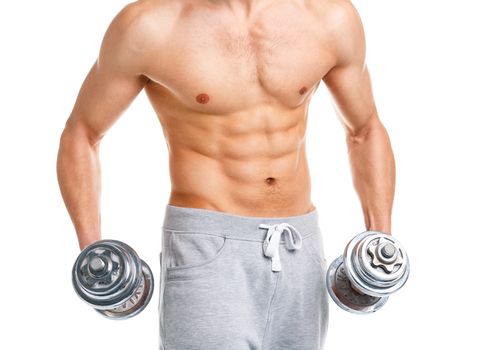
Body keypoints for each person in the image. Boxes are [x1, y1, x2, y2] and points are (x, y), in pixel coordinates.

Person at [57, 0, 395, 349]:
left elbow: (365, 130)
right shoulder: (150, 25)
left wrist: (382, 243)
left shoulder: (328, 16)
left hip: (298, 246)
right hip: (206, 248)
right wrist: (93, 255)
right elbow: (82, 133)